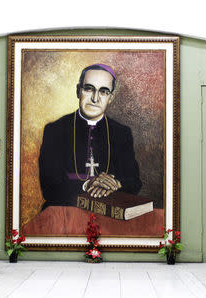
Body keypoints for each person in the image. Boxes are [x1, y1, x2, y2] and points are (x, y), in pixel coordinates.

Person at [39, 64, 142, 210]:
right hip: (64, 213)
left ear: (111, 98)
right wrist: (88, 184)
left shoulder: (121, 133)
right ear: (78, 91)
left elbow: (134, 182)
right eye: (89, 89)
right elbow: (49, 187)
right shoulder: (55, 130)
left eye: (103, 92)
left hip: (108, 214)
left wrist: (115, 184)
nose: (95, 98)